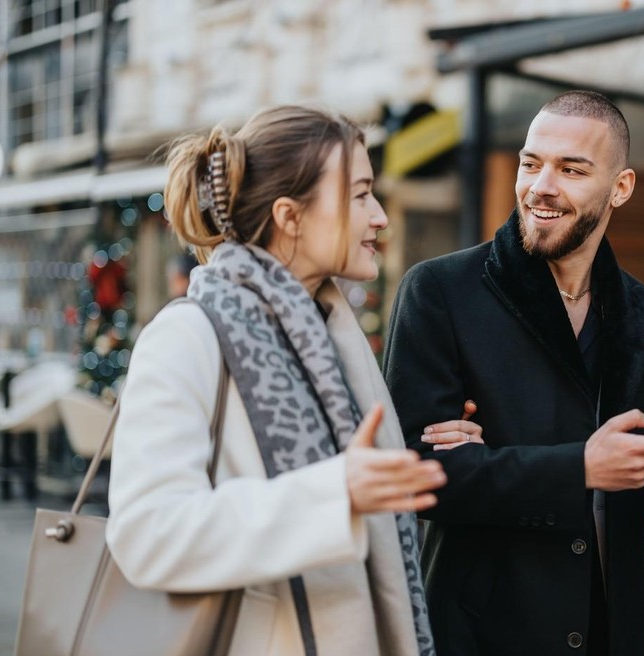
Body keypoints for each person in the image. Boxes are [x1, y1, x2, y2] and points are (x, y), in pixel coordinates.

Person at [384, 91, 644, 656]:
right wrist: (580, 466)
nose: (541, 186)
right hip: (481, 636)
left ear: (621, 187)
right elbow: (415, 475)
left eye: (571, 169)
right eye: (531, 163)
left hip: (612, 633)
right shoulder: (437, 291)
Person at [106, 106, 459, 656]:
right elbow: (147, 532)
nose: (380, 217)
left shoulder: (331, 336)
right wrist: (334, 494)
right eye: (360, 194)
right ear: (290, 216)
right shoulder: (188, 336)